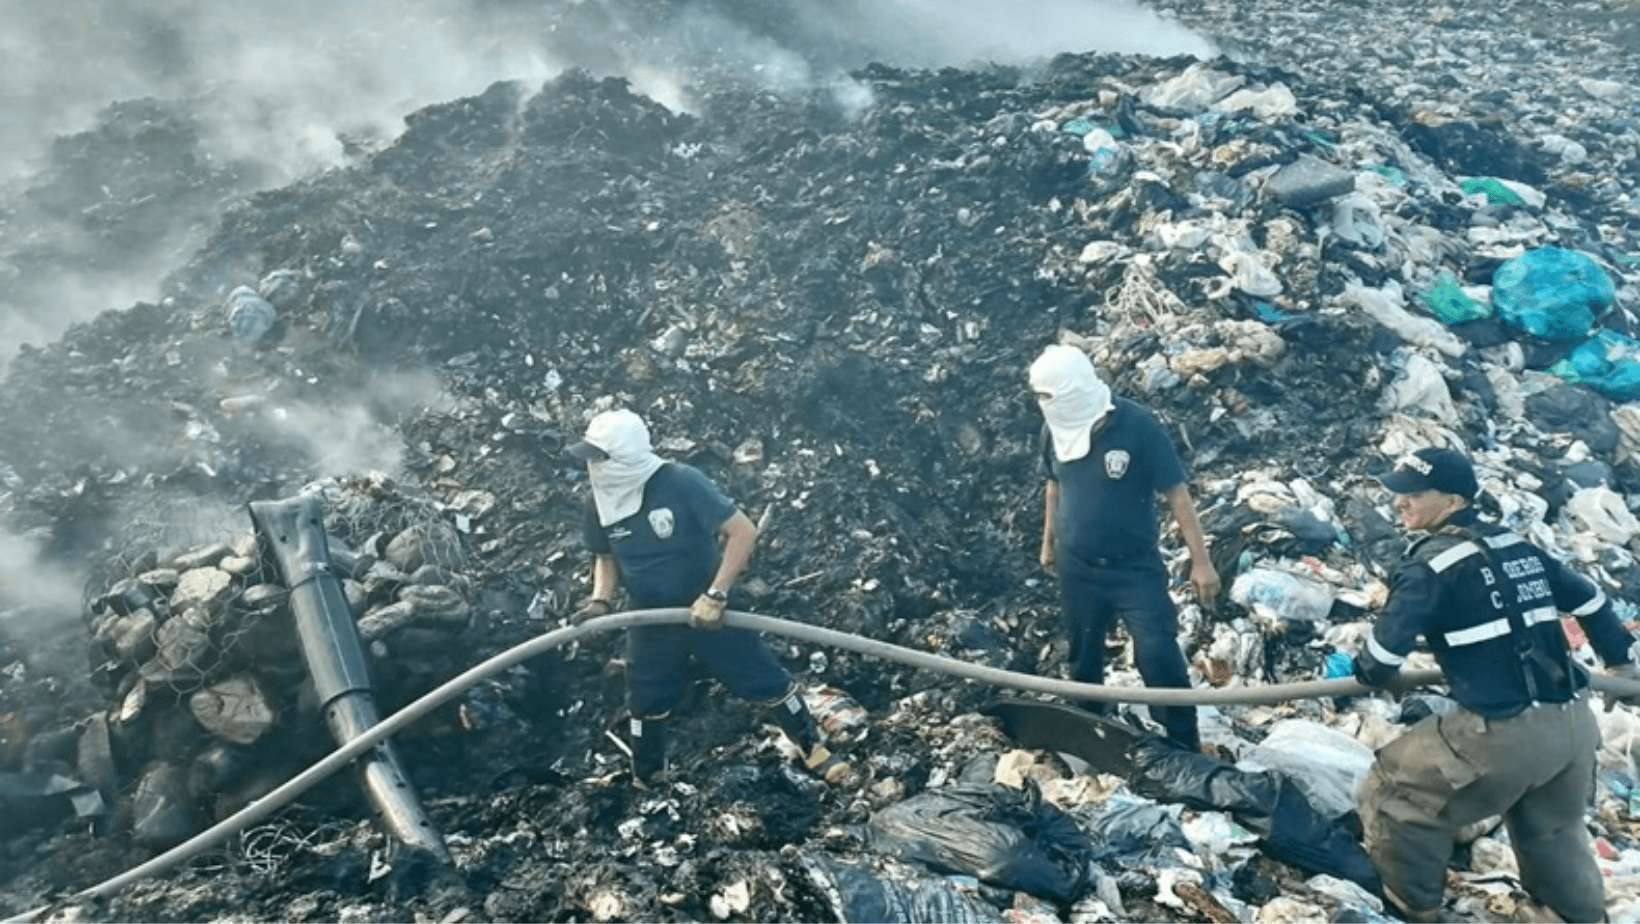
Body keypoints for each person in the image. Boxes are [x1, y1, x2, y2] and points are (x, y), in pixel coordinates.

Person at [1350, 446, 1640, 923]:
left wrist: (1374, 676)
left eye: (1413, 495)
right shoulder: (1518, 547)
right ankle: (1579, 917)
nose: (1401, 504)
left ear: (1452, 500)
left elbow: (1380, 661)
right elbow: (1589, 599)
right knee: (1552, 831)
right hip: (1573, 726)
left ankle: (1414, 911)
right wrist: (1621, 666)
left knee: (1393, 793)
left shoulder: (1428, 565)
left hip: (1504, 732)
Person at [566, 408, 856, 788]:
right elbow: (604, 557)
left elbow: (741, 531)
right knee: (645, 699)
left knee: (763, 679)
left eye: (600, 457)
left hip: (707, 610)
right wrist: (600, 601)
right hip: (650, 618)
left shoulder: (681, 482)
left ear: (626, 455)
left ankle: (813, 749)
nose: (595, 467)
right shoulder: (598, 500)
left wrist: (716, 594)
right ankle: (648, 778)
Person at [1029, 343, 1220, 752]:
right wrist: (1048, 542)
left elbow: (1178, 495)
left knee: (1157, 653)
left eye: (1049, 396)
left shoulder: (1138, 427)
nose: (1042, 405)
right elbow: (1054, 485)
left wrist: (1201, 564)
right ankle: (1090, 736)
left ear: (1074, 390)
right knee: (1083, 656)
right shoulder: (1054, 427)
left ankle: (1183, 743)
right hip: (1077, 566)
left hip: (1133, 568)